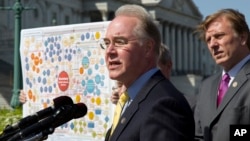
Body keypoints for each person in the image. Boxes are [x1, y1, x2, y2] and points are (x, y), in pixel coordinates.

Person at [103, 4, 194, 141]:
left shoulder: (163, 105)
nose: (109, 51)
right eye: (106, 43)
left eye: (120, 42)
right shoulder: (130, 98)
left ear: (147, 48)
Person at [194, 8, 250, 141]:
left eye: (219, 36)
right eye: (208, 40)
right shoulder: (207, 86)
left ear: (242, 37)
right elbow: (199, 135)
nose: (213, 44)